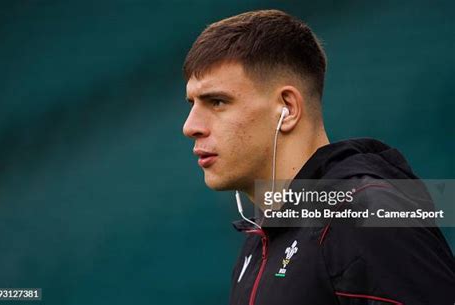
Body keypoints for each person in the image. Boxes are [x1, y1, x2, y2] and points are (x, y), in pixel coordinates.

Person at [182, 9, 454, 305]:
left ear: (287, 108)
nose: (190, 127)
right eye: (192, 103)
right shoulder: (258, 243)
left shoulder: (367, 214)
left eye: (217, 101)